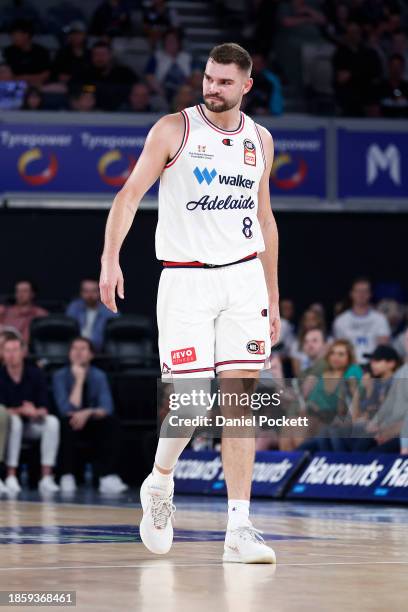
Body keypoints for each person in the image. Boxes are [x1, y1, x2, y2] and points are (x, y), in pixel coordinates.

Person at [100, 42, 280, 563]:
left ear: (246, 86)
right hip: (185, 280)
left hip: (244, 277)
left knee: (241, 401)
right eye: (208, 78)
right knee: (193, 403)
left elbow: (265, 219)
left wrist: (272, 291)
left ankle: (239, 527)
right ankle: (159, 482)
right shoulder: (174, 130)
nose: (212, 88)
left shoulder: (260, 139)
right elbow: (128, 195)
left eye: (224, 81)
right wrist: (111, 258)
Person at [53, 337, 128, 494]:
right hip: (71, 423)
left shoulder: (99, 375)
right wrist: (79, 381)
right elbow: (66, 409)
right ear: (69, 353)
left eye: (83, 349)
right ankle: (68, 475)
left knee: (111, 422)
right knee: (65, 422)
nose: (78, 353)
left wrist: (88, 413)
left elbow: (107, 407)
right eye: (74, 348)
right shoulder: (59, 375)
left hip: (93, 423)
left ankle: (106, 476)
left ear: (91, 355)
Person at [0, 337, 60, 494]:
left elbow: (45, 407)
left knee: (52, 422)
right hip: (9, 427)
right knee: (15, 421)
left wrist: (35, 412)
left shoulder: (35, 373)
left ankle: (47, 477)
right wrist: (21, 410)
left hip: (32, 423)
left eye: (15, 350)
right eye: (7, 350)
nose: (11, 354)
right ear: (2, 353)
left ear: (23, 352)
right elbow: (2, 411)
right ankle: (11, 475)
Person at [333, 277, 391, 364]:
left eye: (365, 291)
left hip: (374, 365)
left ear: (370, 294)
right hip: (348, 366)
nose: (361, 294)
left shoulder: (380, 319)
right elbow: (338, 348)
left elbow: (383, 347)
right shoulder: (341, 321)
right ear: (351, 294)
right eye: (358, 291)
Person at [66, 278, 118, 352]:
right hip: (77, 350)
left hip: (101, 352)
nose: (90, 295)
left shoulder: (109, 310)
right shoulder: (74, 307)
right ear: (81, 292)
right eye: (86, 291)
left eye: (94, 291)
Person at [3, 19, 51, 88]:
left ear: (26, 35)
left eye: (14, 34)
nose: (12, 37)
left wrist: (26, 78)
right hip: (13, 85)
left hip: (38, 86)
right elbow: (5, 74)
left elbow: (46, 74)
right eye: (11, 35)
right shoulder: (8, 51)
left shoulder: (41, 51)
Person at [0, 280, 48, 345]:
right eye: (18, 291)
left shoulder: (40, 314)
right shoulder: (5, 312)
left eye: (25, 291)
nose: (21, 294)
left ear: (32, 294)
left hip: (29, 352)